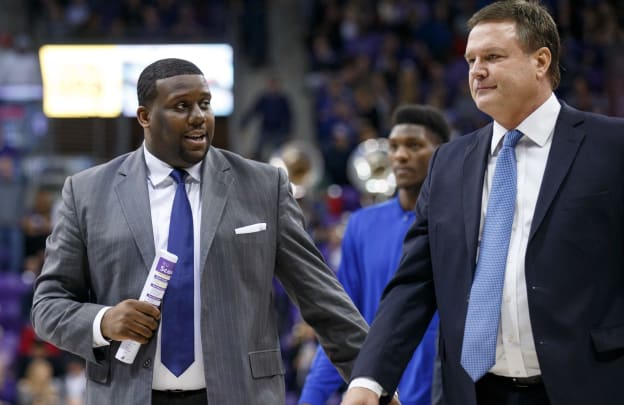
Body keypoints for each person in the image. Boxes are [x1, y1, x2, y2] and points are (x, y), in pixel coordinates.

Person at [31, 58, 368, 405]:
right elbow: (47, 306)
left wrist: (372, 379)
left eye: (204, 104)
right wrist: (104, 322)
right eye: (181, 106)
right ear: (145, 117)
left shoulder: (265, 186)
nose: (199, 117)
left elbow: (322, 297)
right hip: (128, 394)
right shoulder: (86, 192)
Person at [342, 1, 624, 405]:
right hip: (475, 392)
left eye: (493, 57)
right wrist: (369, 379)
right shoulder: (448, 162)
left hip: (591, 387)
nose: (476, 70)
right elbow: (414, 284)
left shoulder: (612, 146)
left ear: (541, 61)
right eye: (471, 59)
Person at [298, 105, 450, 405]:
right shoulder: (361, 224)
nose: (400, 156)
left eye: (414, 145)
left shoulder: (461, 222)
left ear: (443, 153)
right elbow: (342, 322)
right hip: (378, 394)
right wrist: (311, 398)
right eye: (393, 147)